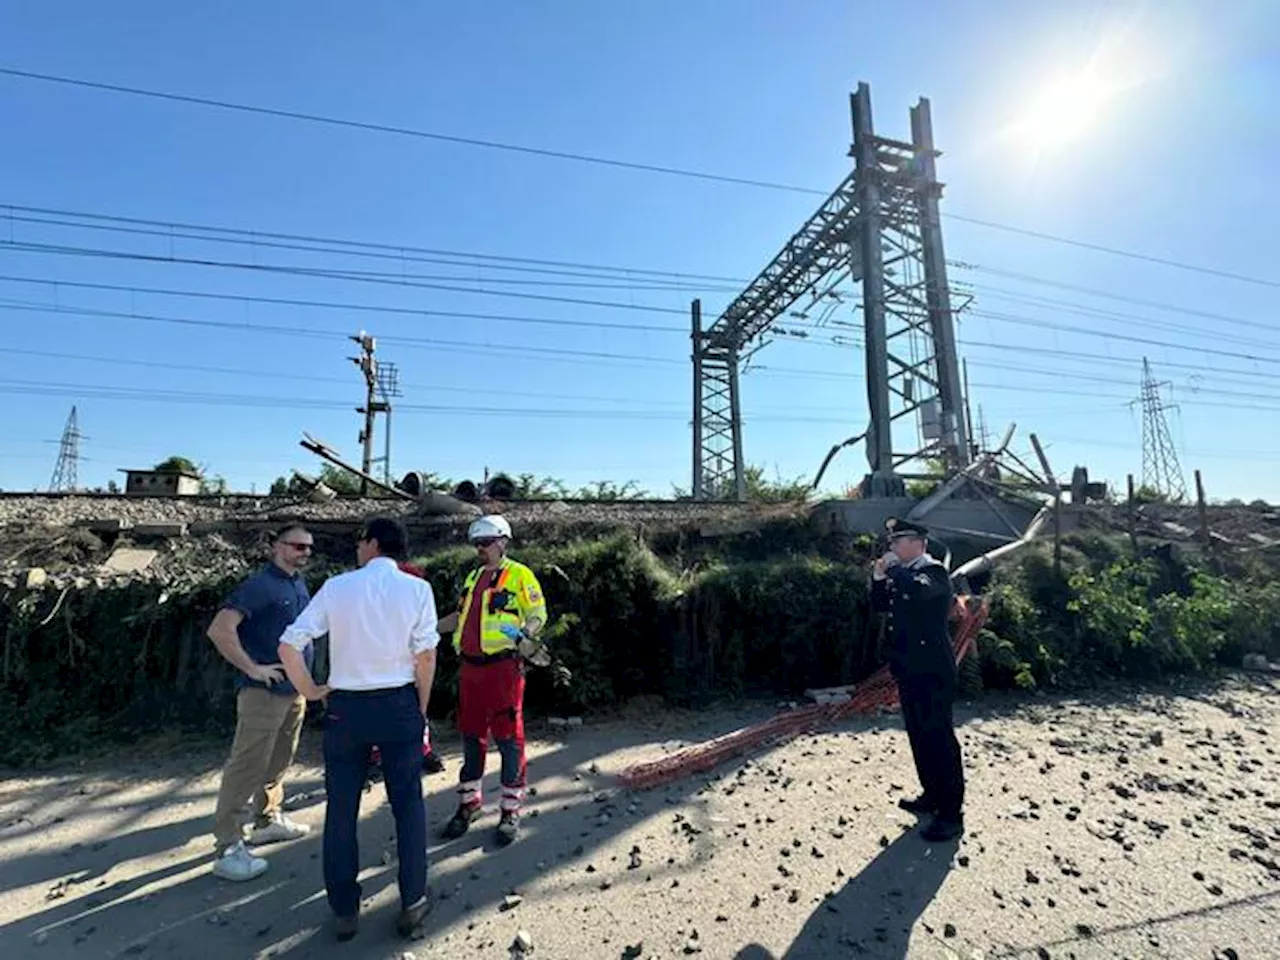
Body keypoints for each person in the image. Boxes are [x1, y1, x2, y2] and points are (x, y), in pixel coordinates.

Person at [278, 517, 440, 943]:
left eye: (359, 541)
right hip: (399, 704)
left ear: (372, 544)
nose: (356, 548)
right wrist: (420, 708)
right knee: (407, 804)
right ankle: (413, 900)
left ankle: (345, 910)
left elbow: (289, 644)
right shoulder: (418, 590)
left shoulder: (337, 587)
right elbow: (425, 658)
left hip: (346, 709)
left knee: (341, 809)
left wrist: (311, 690)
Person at [206, 524, 316, 882]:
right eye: (297, 546)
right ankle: (227, 846)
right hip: (263, 695)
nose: (304, 553)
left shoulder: (296, 583)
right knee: (247, 765)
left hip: (293, 690)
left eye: (308, 548)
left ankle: (267, 819)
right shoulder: (258, 586)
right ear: (277, 547)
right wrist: (252, 669)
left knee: (280, 759)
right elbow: (220, 629)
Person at [436, 514, 548, 847]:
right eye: (476, 544)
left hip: (502, 669)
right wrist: (426, 626)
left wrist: (526, 633)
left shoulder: (519, 575)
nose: (480, 550)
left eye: (485, 543)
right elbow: (460, 617)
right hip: (470, 669)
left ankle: (510, 810)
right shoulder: (472, 578)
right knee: (472, 736)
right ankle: (469, 804)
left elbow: (538, 612)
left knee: (509, 739)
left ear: (502, 541)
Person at [869, 517, 965, 842]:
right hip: (909, 668)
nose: (893, 547)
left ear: (918, 543)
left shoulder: (933, 572)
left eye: (899, 541)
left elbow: (920, 593)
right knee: (918, 735)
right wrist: (879, 579)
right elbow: (880, 606)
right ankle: (932, 795)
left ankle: (951, 813)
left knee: (939, 739)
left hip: (933, 669)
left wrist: (894, 570)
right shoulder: (906, 575)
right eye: (892, 542)